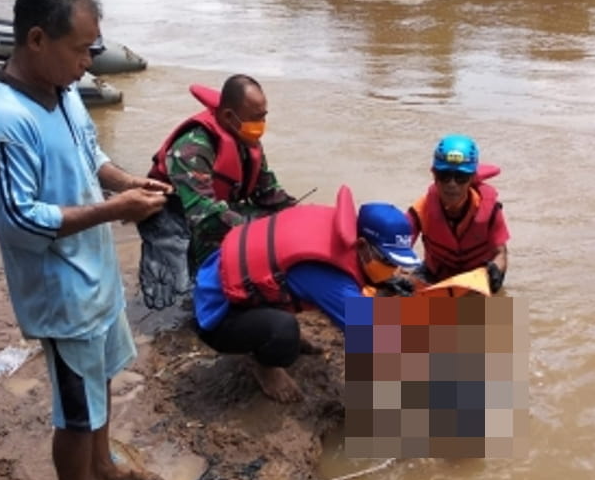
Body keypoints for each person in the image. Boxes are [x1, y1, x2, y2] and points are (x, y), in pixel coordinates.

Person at [0, 0, 171, 480]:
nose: (89, 62)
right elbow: (20, 219)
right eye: (81, 49)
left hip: (96, 275)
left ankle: (104, 470)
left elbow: (89, 159)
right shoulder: (4, 122)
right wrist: (116, 210)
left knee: (101, 376)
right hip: (62, 296)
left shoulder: (62, 92)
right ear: (37, 40)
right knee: (75, 410)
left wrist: (129, 183)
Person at [193, 185, 420, 402]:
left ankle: (263, 326)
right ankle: (266, 367)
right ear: (361, 245)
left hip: (225, 278)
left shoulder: (338, 231)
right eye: (388, 261)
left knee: (287, 300)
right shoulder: (331, 277)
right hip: (215, 314)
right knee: (284, 332)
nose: (394, 269)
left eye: (397, 263)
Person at [139, 75, 296, 309]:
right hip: (176, 217)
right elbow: (203, 214)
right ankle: (368, 340)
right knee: (177, 296)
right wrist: (260, 234)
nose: (262, 124)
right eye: (256, 118)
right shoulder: (192, 148)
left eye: (264, 116)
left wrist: (299, 214)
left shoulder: (247, 139)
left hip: (356, 312)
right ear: (229, 117)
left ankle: (368, 339)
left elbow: (269, 192)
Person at [407, 134, 510, 293]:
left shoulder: (490, 211)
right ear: (434, 175)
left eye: (460, 177)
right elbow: (398, 246)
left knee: (503, 316)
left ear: (472, 178)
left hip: (476, 280)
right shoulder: (422, 209)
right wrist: (398, 277)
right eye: (444, 175)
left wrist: (496, 270)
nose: (452, 184)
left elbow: (501, 253)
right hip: (434, 276)